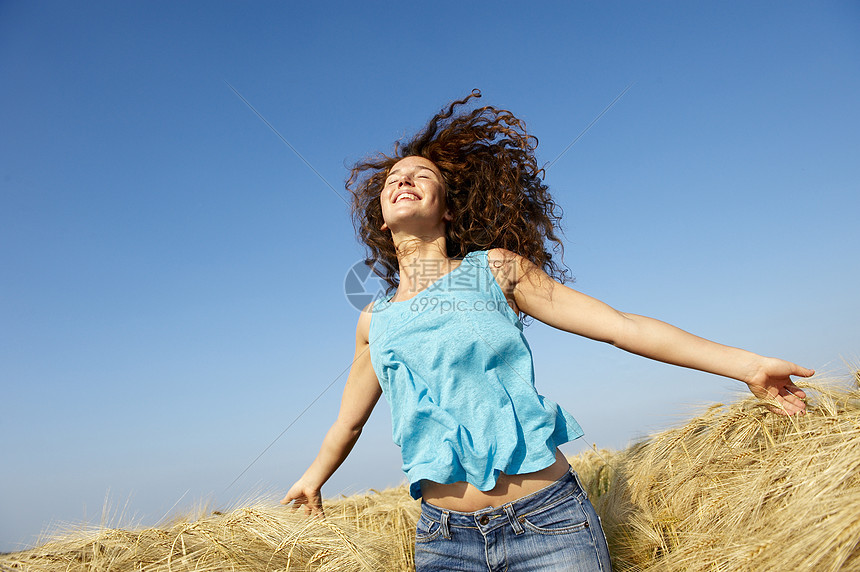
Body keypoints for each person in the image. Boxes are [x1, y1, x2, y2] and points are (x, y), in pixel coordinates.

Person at [281, 90, 813, 571]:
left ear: (446, 210)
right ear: (380, 219)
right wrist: (312, 478)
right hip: (443, 544)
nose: (404, 179)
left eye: (422, 175)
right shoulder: (374, 320)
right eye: (395, 178)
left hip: (549, 525)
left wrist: (747, 366)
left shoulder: (496, 270)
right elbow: (347, 425)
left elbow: (620, 327)